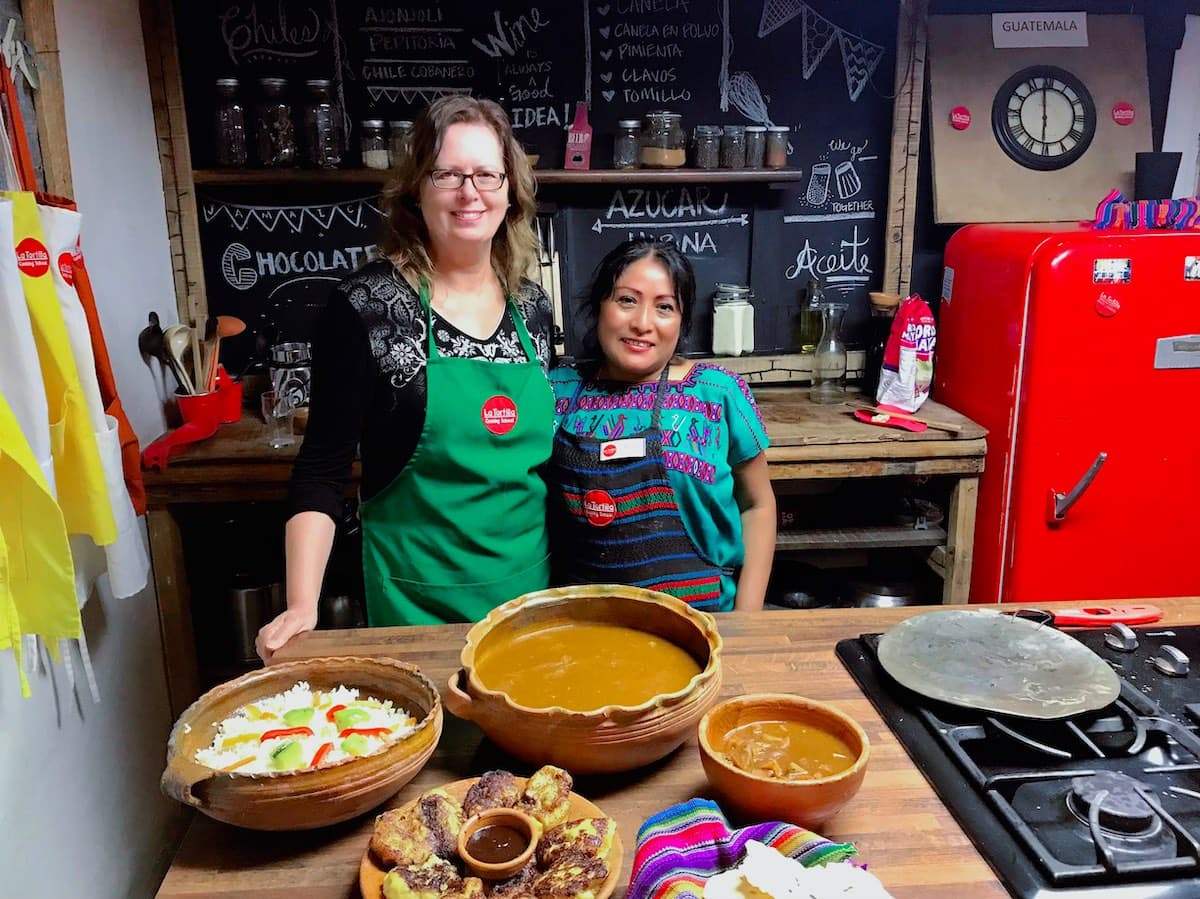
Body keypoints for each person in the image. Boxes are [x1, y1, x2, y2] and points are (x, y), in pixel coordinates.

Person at [256, 96, 554, 661]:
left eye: (487, 174)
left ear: (510, 188)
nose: (470, 193)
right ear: (417, 189)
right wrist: (301, 604)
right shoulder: (365, 306)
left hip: (527, 595)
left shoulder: (533, 306)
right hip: (417, 605)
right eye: (448, 174)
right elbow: (322, 465)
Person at [545, 238, 776, 612]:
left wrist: (747, 623)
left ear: (682, 321)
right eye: (626, 300)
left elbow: (758, 504)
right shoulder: (558, 389)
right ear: (598, 306)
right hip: (583, 627)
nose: (642, 323)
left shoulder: (717, 393)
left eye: (664, 307)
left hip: (702, 625)